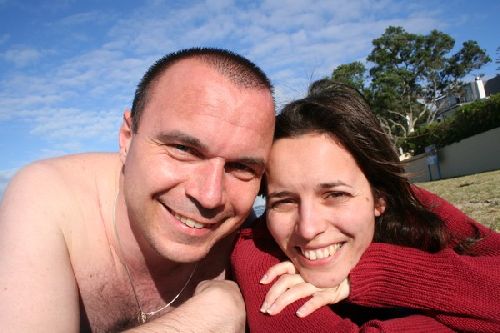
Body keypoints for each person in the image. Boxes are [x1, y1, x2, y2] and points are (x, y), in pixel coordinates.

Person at [0, 48, 275, 332]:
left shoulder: (251, 243)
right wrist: (206, 316)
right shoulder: (49, 198)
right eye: (183, 149)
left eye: (242, 166)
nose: (210, 195)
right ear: (127, 138)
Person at [231, 82, 500, 332]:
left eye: (335, 194)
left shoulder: (414, 205)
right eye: (285, 201)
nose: (309, 228)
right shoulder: (257, 250)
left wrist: (381, 275)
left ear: (379, 198)